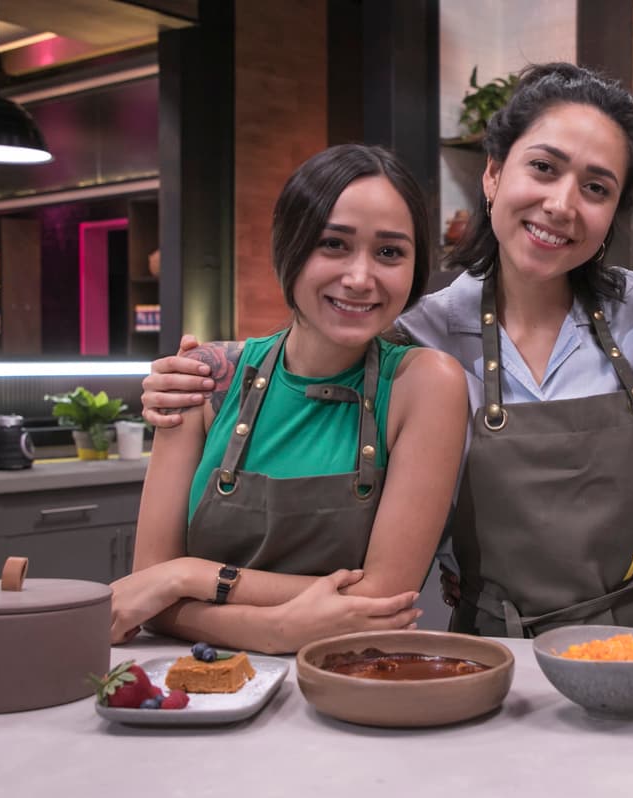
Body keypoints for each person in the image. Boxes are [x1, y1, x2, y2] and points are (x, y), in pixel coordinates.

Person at [141, 63, 633, 639]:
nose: (563, 204)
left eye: (597, 188)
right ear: (493, 176)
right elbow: (318, 334)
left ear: (615, 214)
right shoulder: (418, 334)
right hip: (502, 649)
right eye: (543, 168)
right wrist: (209, 364)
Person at [109, 145, 468, 654]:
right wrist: (277, 630)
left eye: (389, 252)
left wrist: (188, 576)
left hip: (352, 686)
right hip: (196, 698)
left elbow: (383, 599)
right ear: (288, 245)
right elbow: (149, 585)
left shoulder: (425, 384)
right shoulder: (207, 377)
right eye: (333, 244)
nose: (361, 278)